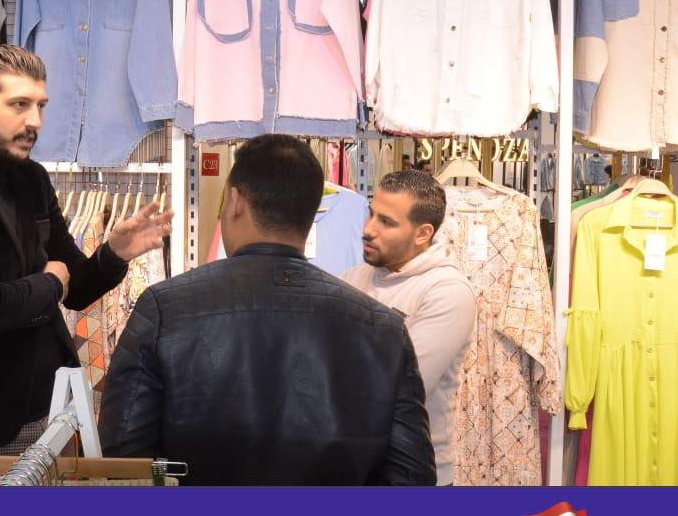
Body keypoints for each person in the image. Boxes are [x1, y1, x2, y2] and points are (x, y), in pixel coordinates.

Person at [0, 46, 173, 480]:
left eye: (40, 106)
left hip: (42, 413)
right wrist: (51, 283)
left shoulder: (32, 178)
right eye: (19, 104)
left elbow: (77, 287)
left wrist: (113, 253)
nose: (35, 121)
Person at [100, 133, 435, 486]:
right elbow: (411, 477)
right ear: (310, 212)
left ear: (235, 201)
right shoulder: (383, 328)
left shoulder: (164, 309)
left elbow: (124, 463)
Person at [342, 170, 476, 486]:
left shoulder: (447, 292)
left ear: (422, 233)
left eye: (386, 222)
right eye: (371, 214)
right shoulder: (354, 278)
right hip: (353, 467)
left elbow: (402, 387)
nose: (368, 230)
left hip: (410, 473)